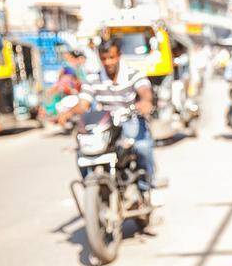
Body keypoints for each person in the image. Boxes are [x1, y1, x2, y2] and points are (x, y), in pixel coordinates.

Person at [57, 38, 157, 190]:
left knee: (142, 147)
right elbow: (83, 104)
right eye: (104, 59)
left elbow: (144, 91)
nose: (108, 62)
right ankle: (93, 187)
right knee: (82, 153)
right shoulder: (93, 79)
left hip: (130, 120)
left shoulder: (133, 75)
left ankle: (146, 187)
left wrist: (145, 102)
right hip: (107, 126)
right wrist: (69, 112)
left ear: (119, 56)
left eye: (111, 57)